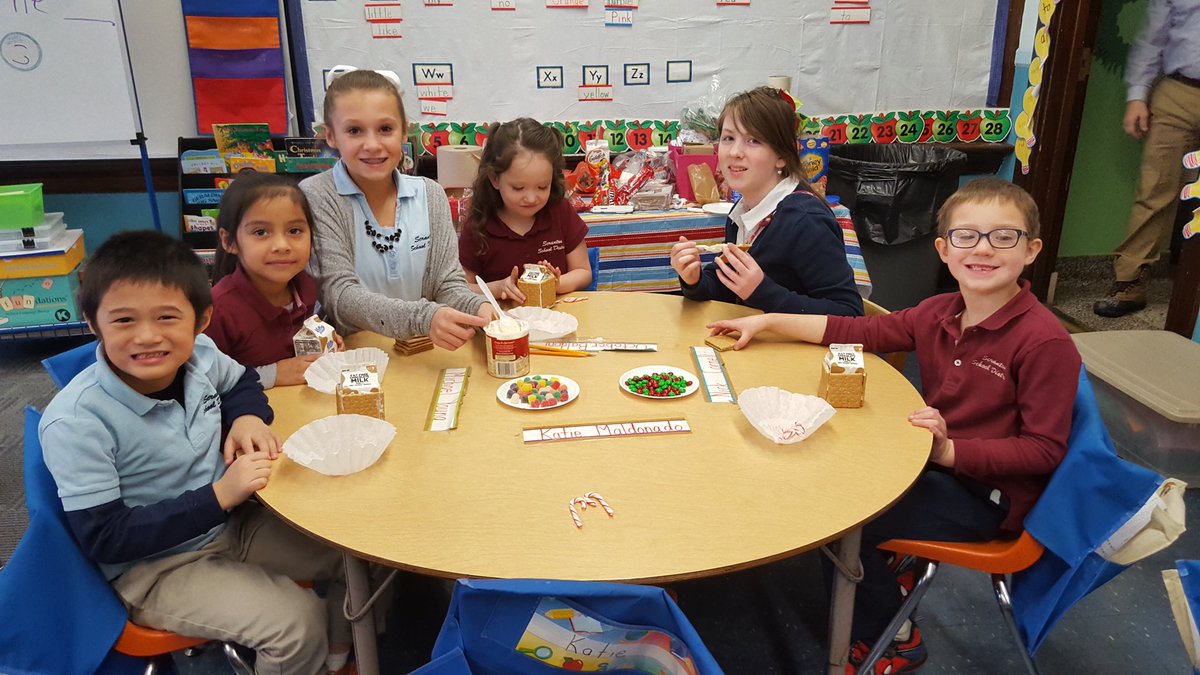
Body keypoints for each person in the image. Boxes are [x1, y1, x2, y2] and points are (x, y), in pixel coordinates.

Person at [708, 179, 1081, 673]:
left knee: (837, 517)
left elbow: (1043, 451)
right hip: (929, 464)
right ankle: (882, 572)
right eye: (966, 236)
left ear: (1031, 250)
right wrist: (767, 322)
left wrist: (951, 453)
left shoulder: (1043, 342)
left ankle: (894, 635)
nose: (984, 249)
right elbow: (854, 329)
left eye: (1003, 237)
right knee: (828, 474)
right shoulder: (939, 311)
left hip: (988, 497)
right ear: (944, 250)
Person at [38, 231, 353, 675]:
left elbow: (241, 381)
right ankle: (312, 655)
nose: (147, 337)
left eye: (167, 318)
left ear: (201, 320)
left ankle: (338, 659)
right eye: (123, 321)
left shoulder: (200, 355)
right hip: (156, 569)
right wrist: (219, 497)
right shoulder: (76, 422)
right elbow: (104, 536)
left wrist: (247, 418)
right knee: (297, 624)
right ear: (92, 323)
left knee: (353, 555)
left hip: (232, 525)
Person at [301, 69, 492, 350]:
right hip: (353, 361)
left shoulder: (430, 194)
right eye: (354, 131)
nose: (372, 145)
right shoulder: (317, 196)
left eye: (385, 129)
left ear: (404, 130)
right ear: (331, 135)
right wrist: (424, 318)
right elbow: (340, 296)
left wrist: (480, 309)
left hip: (424, 353)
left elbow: (447, 284)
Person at [669, 86, 862, 317]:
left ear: (781, 156)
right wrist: (695, 280)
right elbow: (729, 283)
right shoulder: (743, 210)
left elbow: (849, 315)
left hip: (796, 351)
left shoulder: (805, 220)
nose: (735, 152)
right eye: (728, 138)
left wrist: (761, 292)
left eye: (753, 141)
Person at [1093, 0, 1200, 317]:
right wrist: (1137, 95)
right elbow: (1153, 35)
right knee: (1156, 188)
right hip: (1179, 93)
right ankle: (1129, 282)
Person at [206, 173, 341, 388]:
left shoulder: (305, 287)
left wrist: (323, 341)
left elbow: (296, 342)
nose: (282, 245)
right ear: (229, 241)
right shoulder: (217, 310)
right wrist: (272, 375)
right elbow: (206, 383)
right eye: (260, 232)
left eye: (294, 231)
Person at [459, 118, 591, 303]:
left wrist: (556, 283)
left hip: (558, 319)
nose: (531, 198)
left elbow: (583, 272)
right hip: (505, 325)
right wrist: (497, 288)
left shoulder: (560, 211)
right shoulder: (479, 225)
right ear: (494, 179)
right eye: (518, 188)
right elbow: (460, 288)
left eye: (542, 187)